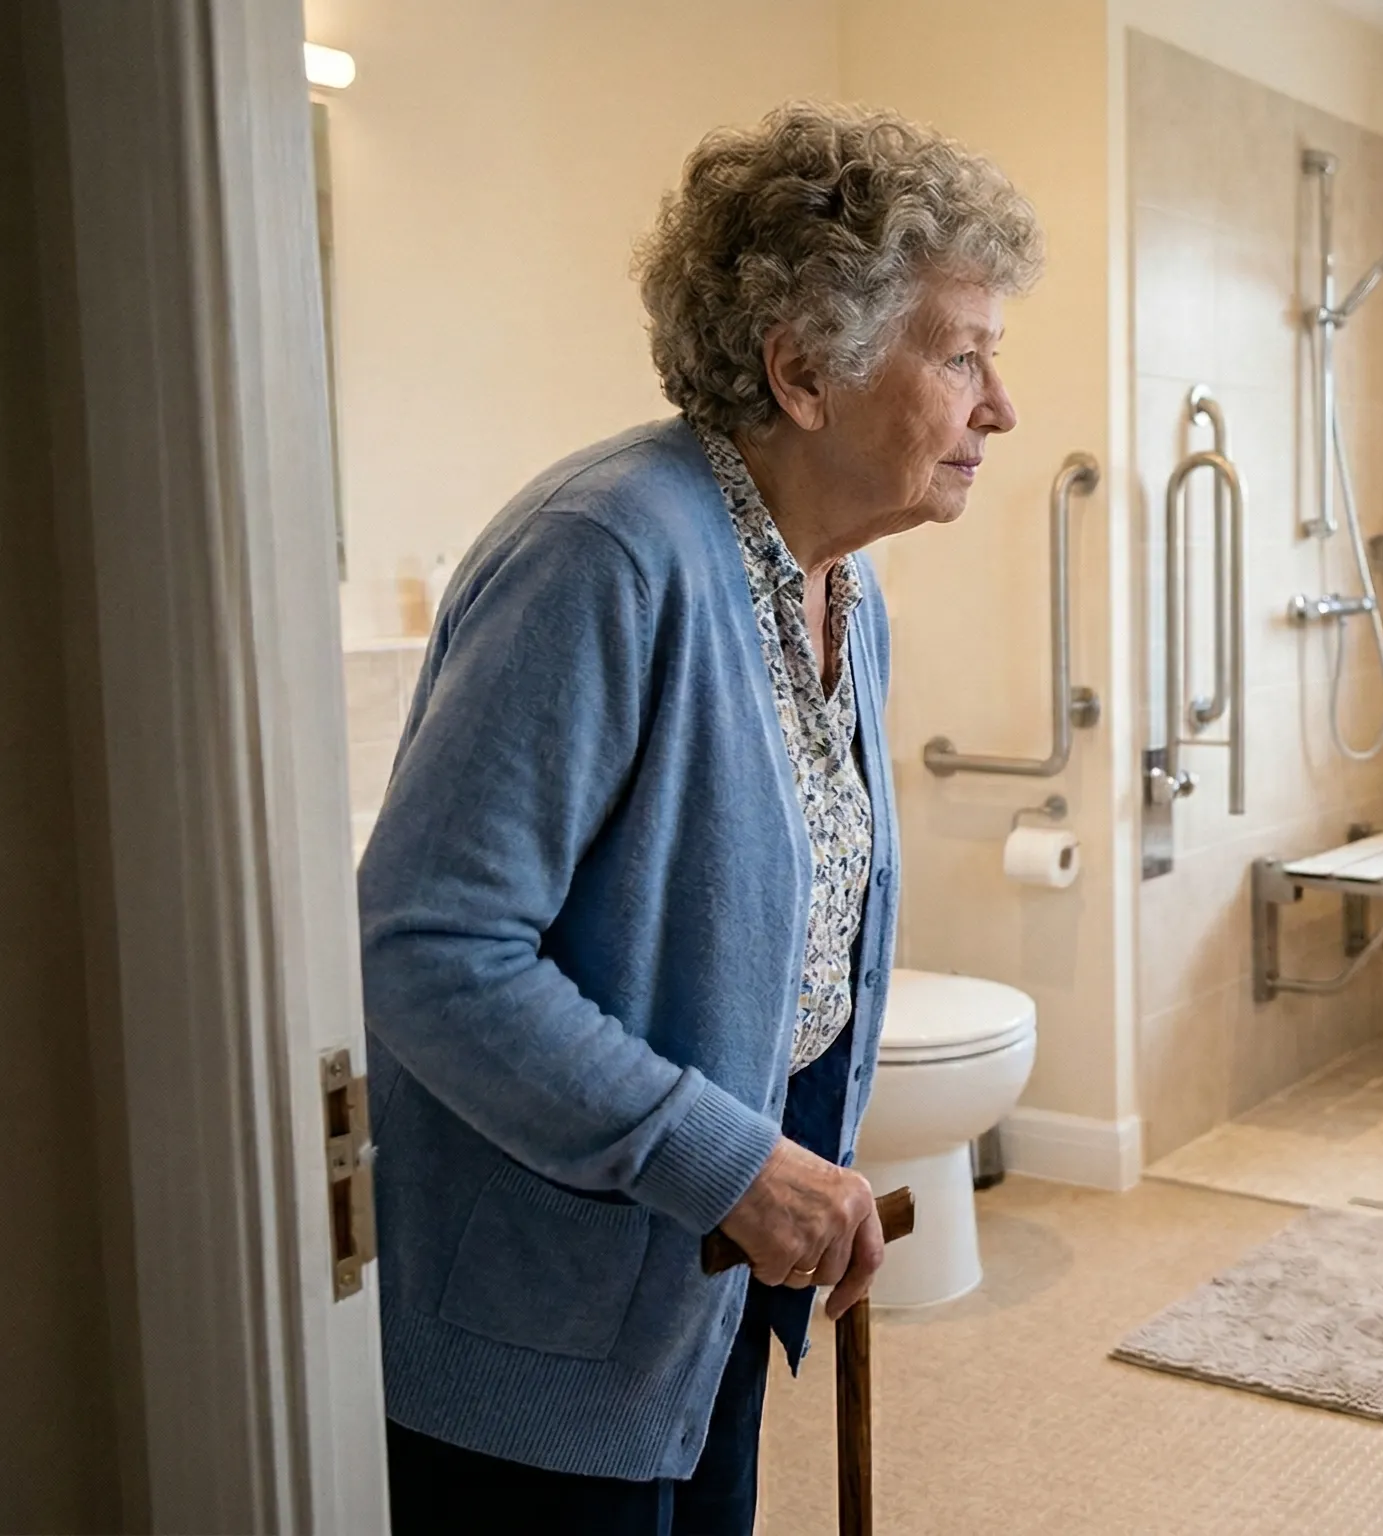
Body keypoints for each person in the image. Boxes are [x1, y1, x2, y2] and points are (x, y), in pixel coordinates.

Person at [357, 101, 1039, 1533]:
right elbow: (426, 951)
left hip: (705, 1289)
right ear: (803, 370)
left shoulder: (843, 586)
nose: (999, 406)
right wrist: (727, 1161)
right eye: (963, 352)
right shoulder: (606, 556)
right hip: (539, 1337)